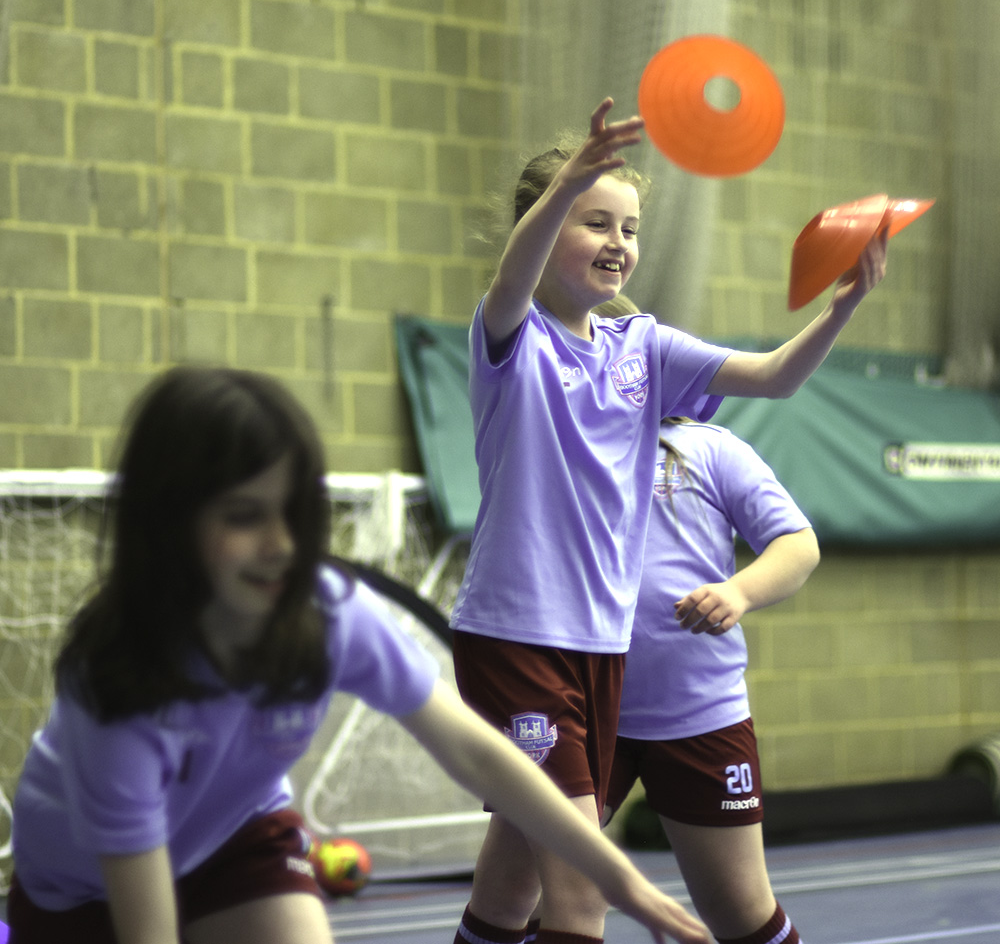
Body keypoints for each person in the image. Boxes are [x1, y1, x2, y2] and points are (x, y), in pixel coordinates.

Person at [7, 366, 713, 944]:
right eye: (245, 516)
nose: (280, 544)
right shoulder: (120, 690)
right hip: (83, 890)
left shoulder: (326, 611)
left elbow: (479, 754)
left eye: (294, 512)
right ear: (169, 526)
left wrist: (620, 878)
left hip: (236, 838)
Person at [448, 97, 887, 944]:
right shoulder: (511, 340)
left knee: (507, 886)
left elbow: (774, 376)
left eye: (632, 228)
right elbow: (511, 279)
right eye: (595, 222)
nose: (619, 242)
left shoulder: (642, 348)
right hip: (518, 639)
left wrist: (840, 309)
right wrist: (568, 182)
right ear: (545, 226)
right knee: (579, 897)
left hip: (601, 649)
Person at [604, 417, 820, 944]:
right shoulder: (573, 433)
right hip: (586, 708)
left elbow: (798, 545)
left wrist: (739, 592)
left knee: (739, 909)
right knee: (528, 891)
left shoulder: (710, 448)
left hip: (698, 710)